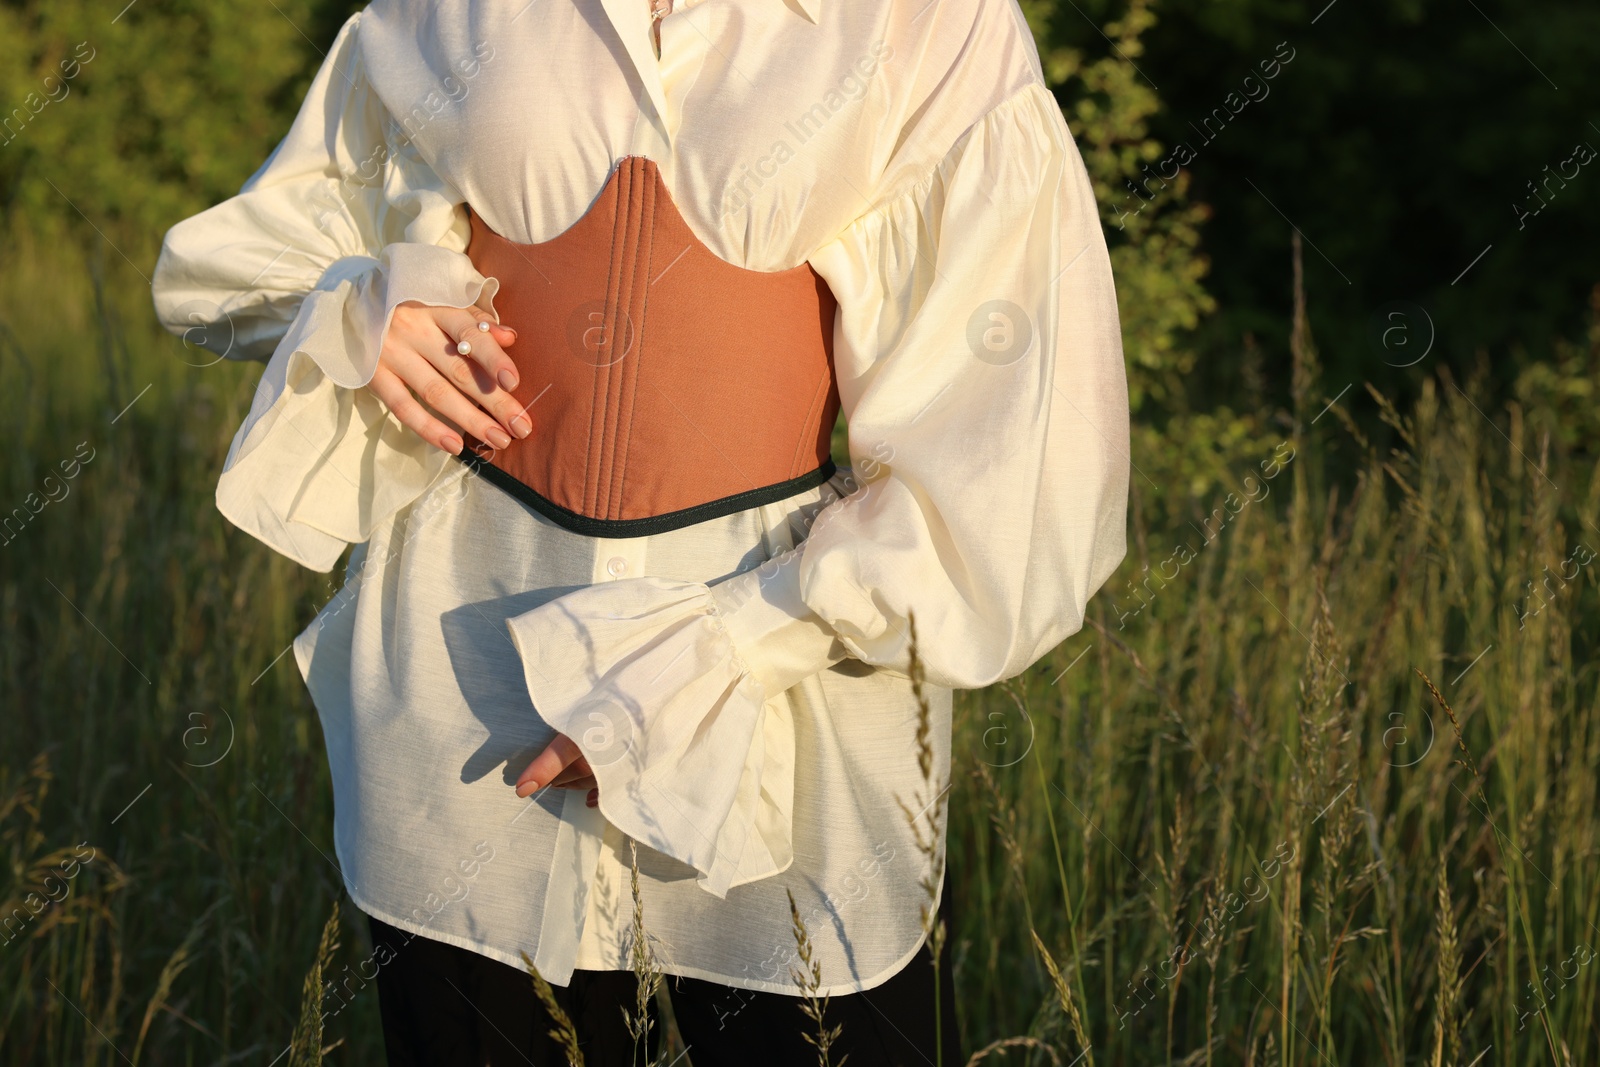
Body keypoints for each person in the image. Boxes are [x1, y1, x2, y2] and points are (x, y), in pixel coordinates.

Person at [151, 0, 1130, 1061]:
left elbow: (1007, 444)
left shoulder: (929, 22)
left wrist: (724, 652)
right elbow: (253, 252)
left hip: (784, 698)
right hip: (468, 685)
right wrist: (361, 309)